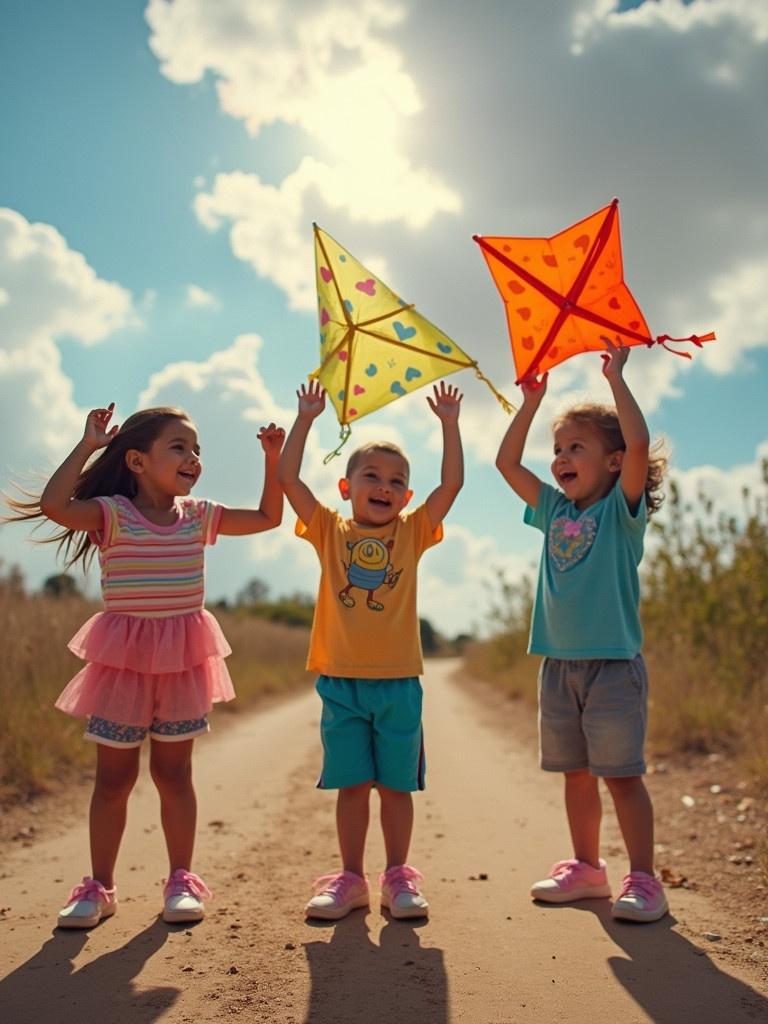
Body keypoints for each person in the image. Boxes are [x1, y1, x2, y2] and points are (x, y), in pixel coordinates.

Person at [5, 403, 284, 928]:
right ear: (135, 460)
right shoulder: (111, 513)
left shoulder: (199, 516)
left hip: (181, 665)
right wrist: (89, 444)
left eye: (196, 449)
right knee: (113, 780)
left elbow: (270, 518)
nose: (193, 457)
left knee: (174, 774)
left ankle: (181, 880)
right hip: (123, 667)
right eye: (179, 447)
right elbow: (54, 505)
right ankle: (99, 887)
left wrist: (273, 459)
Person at [495, 339, 668, 922]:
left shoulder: (619, 511)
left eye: (577, 447)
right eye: (558, 447)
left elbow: (638, 440)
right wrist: (531, 403)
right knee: (574, 776)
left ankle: (643, 879)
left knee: (621, 777)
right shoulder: (553, 510)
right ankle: (588, 869)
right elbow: (506, 465)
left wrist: (615, 375)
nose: (561, 456)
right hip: (558, 666)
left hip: (614, 666)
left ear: (614, 461)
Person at [278, 378, 463, 921]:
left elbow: (450, 486)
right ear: (346, 486)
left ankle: (399, 876)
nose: (383, 486)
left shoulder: (413, 531)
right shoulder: (328, 529)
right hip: (342, 683)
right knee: (352, 784)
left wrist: (450, 426)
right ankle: (352, 878)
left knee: (396, 786)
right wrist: (307, 417)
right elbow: (287, 478)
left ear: (407, 497)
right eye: (371, 477)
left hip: (399, 682)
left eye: (396, 481)